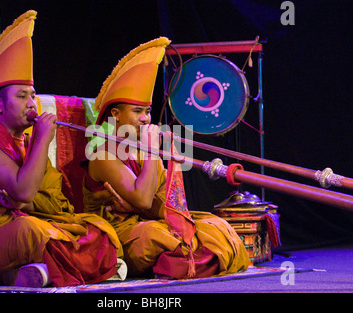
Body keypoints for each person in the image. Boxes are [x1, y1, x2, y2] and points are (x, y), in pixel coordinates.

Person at [0, 11, 123, 287]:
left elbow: (46, 202)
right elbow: (24, 189)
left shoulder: (27, 144)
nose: (32, 103)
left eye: (33, 95)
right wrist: (43, 139)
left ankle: (31, 274)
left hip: (24, 232)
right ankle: (71, 267)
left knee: (91, 225)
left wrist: (25, 203)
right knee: (31, 230)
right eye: (22, 96)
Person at [82, 37, 250, 279]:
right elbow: (142, 198)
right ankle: (194, 261)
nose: (145, 119)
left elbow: (163, 203)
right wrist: (152, 153)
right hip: (120, 233)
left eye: (148, 111)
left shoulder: (141, 149)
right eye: (137, 111)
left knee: (216, 226)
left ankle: (192, 260)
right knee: (155, 237)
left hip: (152, 220)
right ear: (116, 115)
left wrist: (155, 160)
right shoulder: (103, 155)